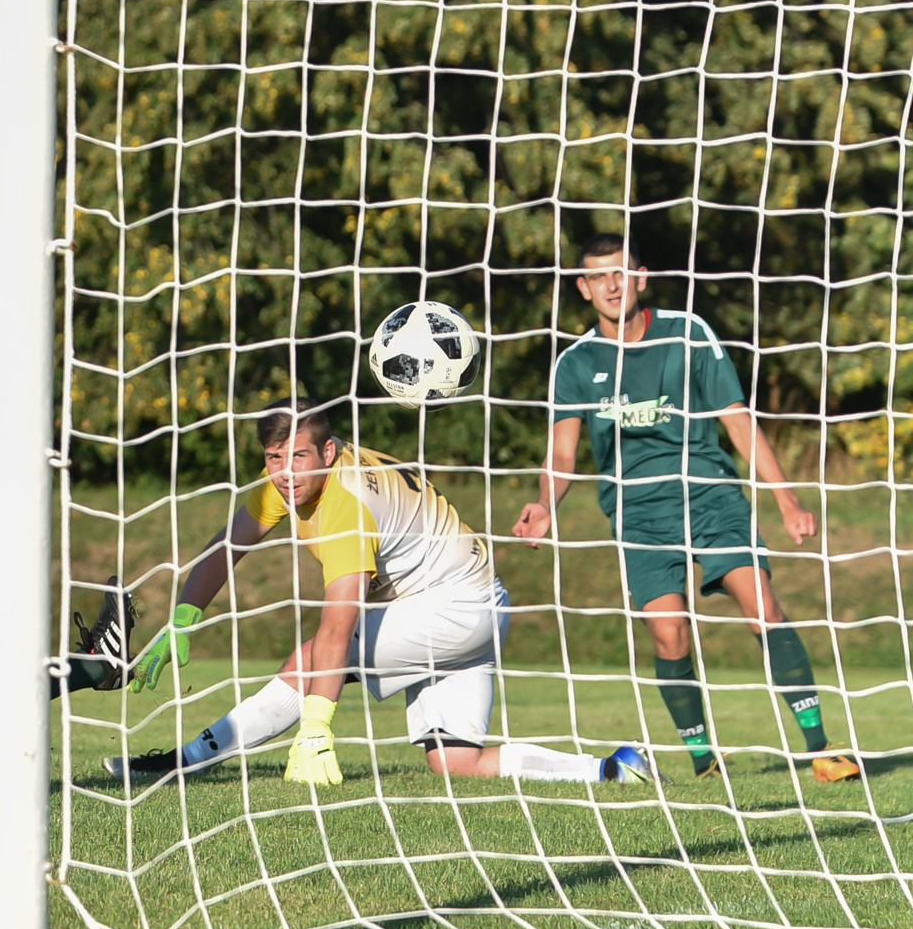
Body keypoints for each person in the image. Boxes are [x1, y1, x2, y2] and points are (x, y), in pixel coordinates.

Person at [112, 398, 655, 787]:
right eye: (274, 458)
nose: (284, 473)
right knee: (455, 762)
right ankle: (611, 769)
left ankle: (184, 762)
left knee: (310, 659)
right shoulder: (295, 476)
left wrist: (317, 727)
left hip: (453, 607)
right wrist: (183, 617)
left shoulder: (344, 504)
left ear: (327, 451)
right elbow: (230, 543)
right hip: (478, 604)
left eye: (297, 457)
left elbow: (337, 628)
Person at [513, 233, 860, 783]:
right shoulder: (574, 363)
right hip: (639, 515)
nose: (611, 285)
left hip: (709, 494)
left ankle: (823, 748)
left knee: (762, 605)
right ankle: (704, 764)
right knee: (669, 634)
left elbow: (736, 419)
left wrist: (786, 498)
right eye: (598, 276)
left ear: (641, 277)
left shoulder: (688, 332)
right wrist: (544, 503)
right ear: (582, 287)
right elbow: (561, 453)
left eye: (620, 272)